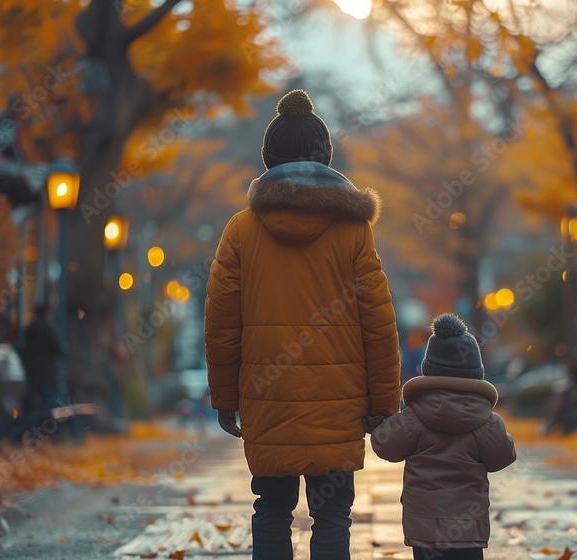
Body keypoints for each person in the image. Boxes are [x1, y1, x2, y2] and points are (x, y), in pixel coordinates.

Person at [204, 89, 401, 560]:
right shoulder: (353, 230)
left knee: (270, 511)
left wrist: (225, 399)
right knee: (333, 515)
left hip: (267, 399)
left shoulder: (241, 230)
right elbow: (378, 321)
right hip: (339, 403)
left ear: (268, 159)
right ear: (325, 156)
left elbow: (221, 323)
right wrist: (383, 404)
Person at [371, 313, 516, 560]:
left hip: (425, 529)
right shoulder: (487, 422)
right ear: (475, 373)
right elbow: (503, 457)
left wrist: (385, 420)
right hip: (468, 528)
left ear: (429, 369)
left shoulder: (413, 417)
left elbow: (383, 445)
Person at [21, 302, 65, 415]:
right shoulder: (47, 329)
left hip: (30, 368)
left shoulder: (30, 328)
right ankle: (45, 419)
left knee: (34, 396)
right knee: (49, 398)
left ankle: (33, 418)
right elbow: (57, 348)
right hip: (46, 371)